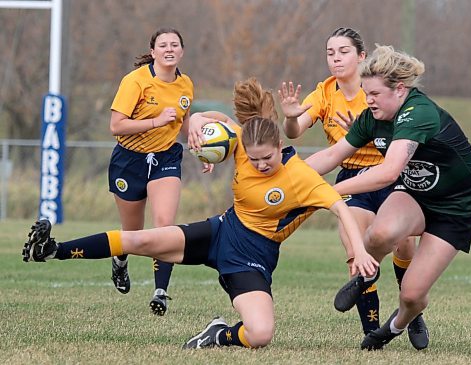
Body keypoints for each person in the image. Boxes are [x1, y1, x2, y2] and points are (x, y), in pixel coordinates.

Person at [22, 78, 378, 350]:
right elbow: (215, 118)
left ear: (280, 147)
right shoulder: (240, 142)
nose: (259, 164)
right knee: (142, 239)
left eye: (266, 159)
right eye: (252, 159)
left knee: (261, 334)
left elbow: (338, 207)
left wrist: (359, 251)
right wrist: (195, 126)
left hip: (253, 256)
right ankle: (53, 249)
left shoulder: (300, 176)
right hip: (222, 231)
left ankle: (218, 335)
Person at [305, 45, 471, 350]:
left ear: (400, 90)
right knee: (378, 234)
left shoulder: (419, 112)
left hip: (457, 207)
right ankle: (366, 277)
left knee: (412, 295)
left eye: (375, 93)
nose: (368, 99)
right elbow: (333, 154)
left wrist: (325, 192)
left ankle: (394, 326)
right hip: (417, 194)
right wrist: (290, 178)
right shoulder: (371, 117)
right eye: (366, 92)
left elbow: (389, 172)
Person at [278, 27, 427, 349]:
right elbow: (296, 132)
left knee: (403, 246)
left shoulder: (377, 90)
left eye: (343, 52)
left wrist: (367, 130)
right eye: (330, 53)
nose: (335, 59)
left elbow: (402, 138)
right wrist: (290, 118)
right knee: (357, 251)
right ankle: (372, 334)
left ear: (361, 57)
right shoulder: (324, 92)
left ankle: (412, 313)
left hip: (390, 173)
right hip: (351, 177)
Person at [107, 28, 195, 316]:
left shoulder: (186, 85)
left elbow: (183, 123)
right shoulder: (135, 81)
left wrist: (201, 148)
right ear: (153, 52)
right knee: (132, 233)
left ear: (182, 51)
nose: (169, 49)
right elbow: (116, 126)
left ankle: (161, 291)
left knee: (164, 226)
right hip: (129, 161)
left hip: (165, 158)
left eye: (174, 44)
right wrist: (155, 122)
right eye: (163, 45)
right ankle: (120, 262)